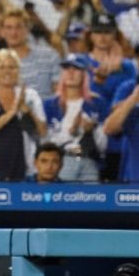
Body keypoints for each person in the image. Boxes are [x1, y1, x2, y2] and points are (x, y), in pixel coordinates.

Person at [0, 48, 47, 182]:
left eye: (11, 67)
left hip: (24, 166)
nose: (7, 71)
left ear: (18, 70)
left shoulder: (30, 95)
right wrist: (12, 112)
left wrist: (27, 110)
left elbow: (42, 132)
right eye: (2, 67)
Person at [44, 53, 108, 182]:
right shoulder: (50, 105)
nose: (71, 72)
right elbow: (45, 142)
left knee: (91, 199)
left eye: (76, 69)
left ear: (85, 74)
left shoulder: (97, 103)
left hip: (90, 160)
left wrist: (91, 131)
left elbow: (103, 145)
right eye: (67, 68)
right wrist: (71, 132)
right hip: (61, 160)